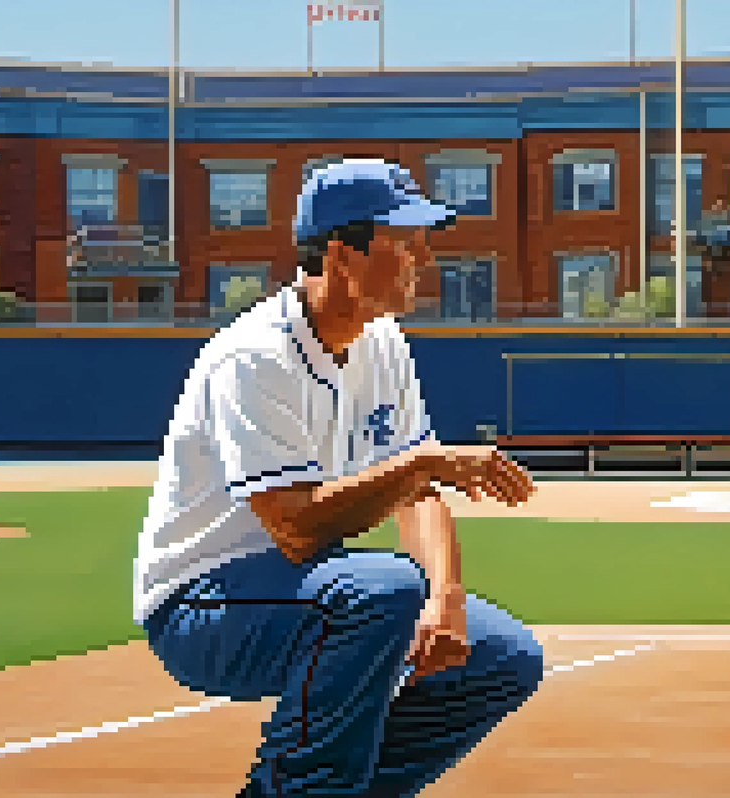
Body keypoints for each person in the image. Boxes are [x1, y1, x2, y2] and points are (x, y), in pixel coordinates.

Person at [135, 158, 543, 798]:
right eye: (404, 243)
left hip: (303, 594)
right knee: (381, 591)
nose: (423, 259)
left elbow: (420, 492)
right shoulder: (255, 356)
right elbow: (296, 530)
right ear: (340, 255)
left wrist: (447, 597)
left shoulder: (384, 342)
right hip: (203, 606)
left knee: (500, 658)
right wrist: (422, 464)